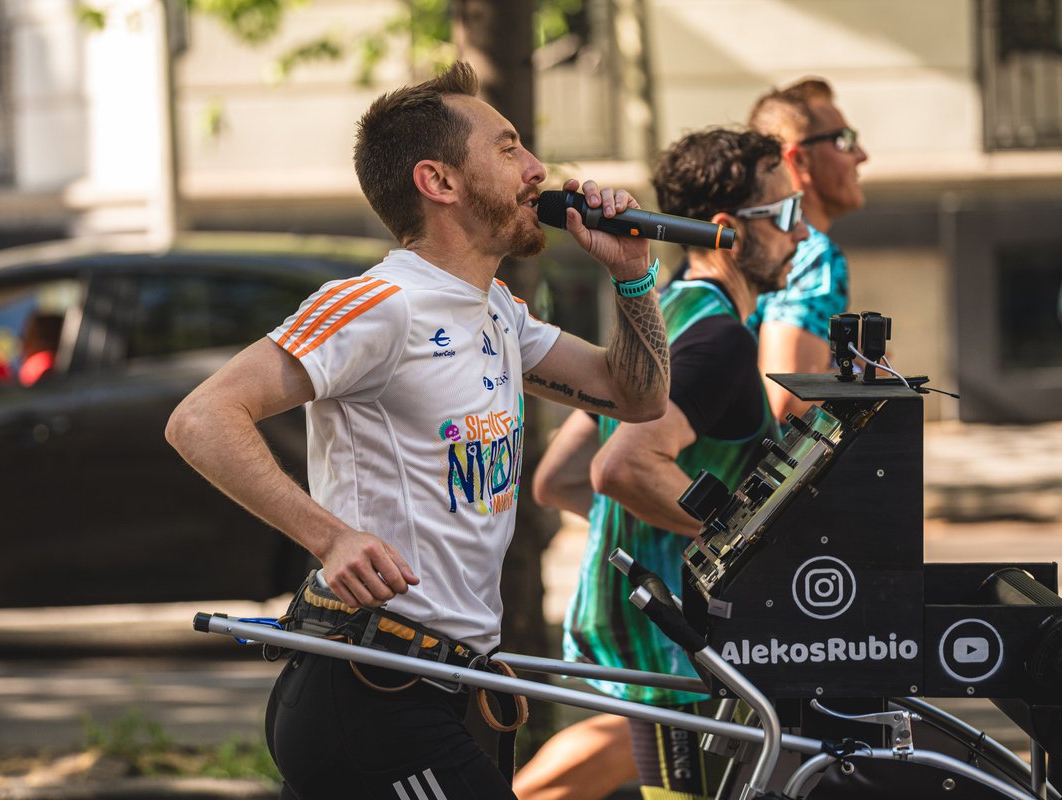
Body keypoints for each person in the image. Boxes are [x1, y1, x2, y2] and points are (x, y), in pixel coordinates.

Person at [165, 61, 673, 800]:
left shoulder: (496, 309)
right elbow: (200, 417)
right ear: (440, 182)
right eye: (507, 149)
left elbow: (637, 398)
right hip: (370, 694)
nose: (536, 170)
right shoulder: (381, 303)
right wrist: (328, 536)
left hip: (445, 685)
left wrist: (631, 276)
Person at [528, 128, 808, 800]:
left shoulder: (665, 317)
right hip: (674, 639)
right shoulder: (719, 340)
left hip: (650, 627)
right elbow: (622, 469)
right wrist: (737, 541)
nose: (801, 235)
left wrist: (646, 532)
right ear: (726, 231)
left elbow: (558, 478)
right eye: (787, 216)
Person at [747, 78, 868, 424]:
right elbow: (787, 401)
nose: (862, 155)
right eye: (845, 141)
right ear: (798, 159)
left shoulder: (753, 239)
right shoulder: (813, 252)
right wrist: (871, 377)